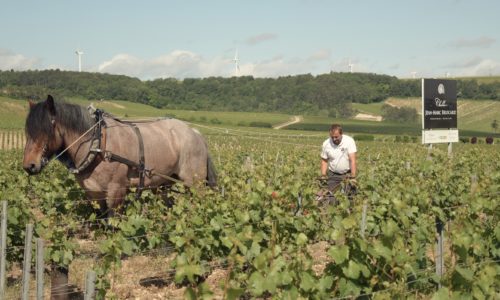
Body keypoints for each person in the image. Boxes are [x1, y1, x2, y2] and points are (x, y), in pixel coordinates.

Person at [320, 124, 357, 200]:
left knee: (350, 196)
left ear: (341, 134)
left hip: (347, 174)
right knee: (331, 196)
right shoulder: (326, 144)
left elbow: (352, 160)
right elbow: (324, 160)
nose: (334, 139)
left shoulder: (349, 141)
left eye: (336, 137)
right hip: (333, 174)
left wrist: (353, 176)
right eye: (332, 137)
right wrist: (323, 175)